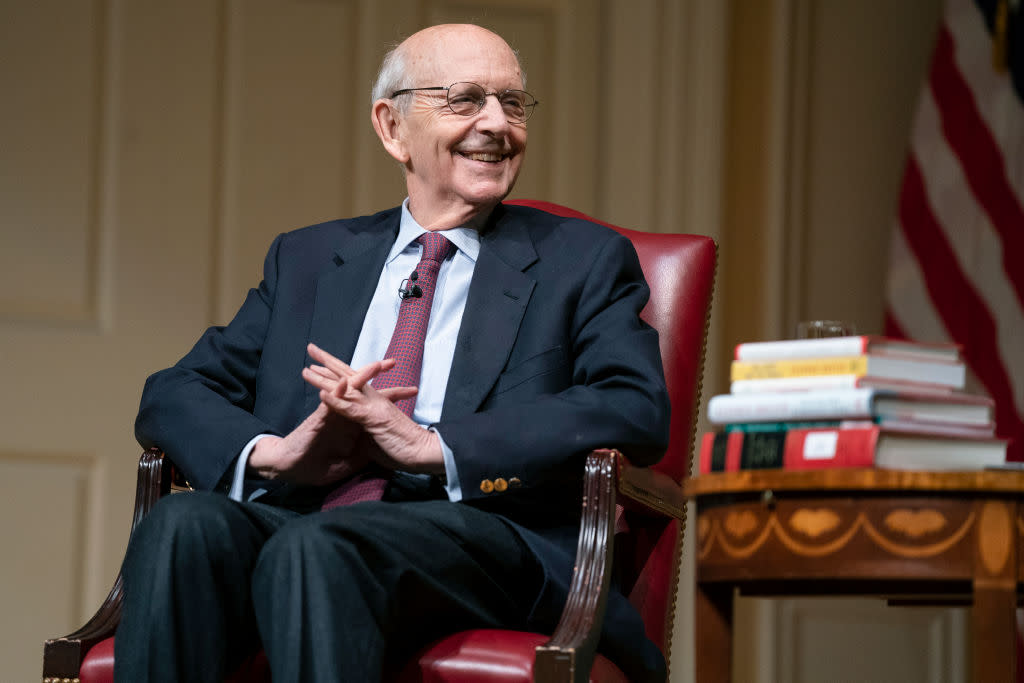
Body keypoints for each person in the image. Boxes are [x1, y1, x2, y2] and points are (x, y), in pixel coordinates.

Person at [115, 23, 670, 683]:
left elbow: (632, 403)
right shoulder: (310, 259)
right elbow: (174, 392)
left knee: (319, 546)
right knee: (183, 524)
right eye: (465, 100)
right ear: (392, 126)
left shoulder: (581, 260)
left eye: (514, 103)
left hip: (483, 535)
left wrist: (435, 447)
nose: (497, 123)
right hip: (311, 519)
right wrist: (283, 452)